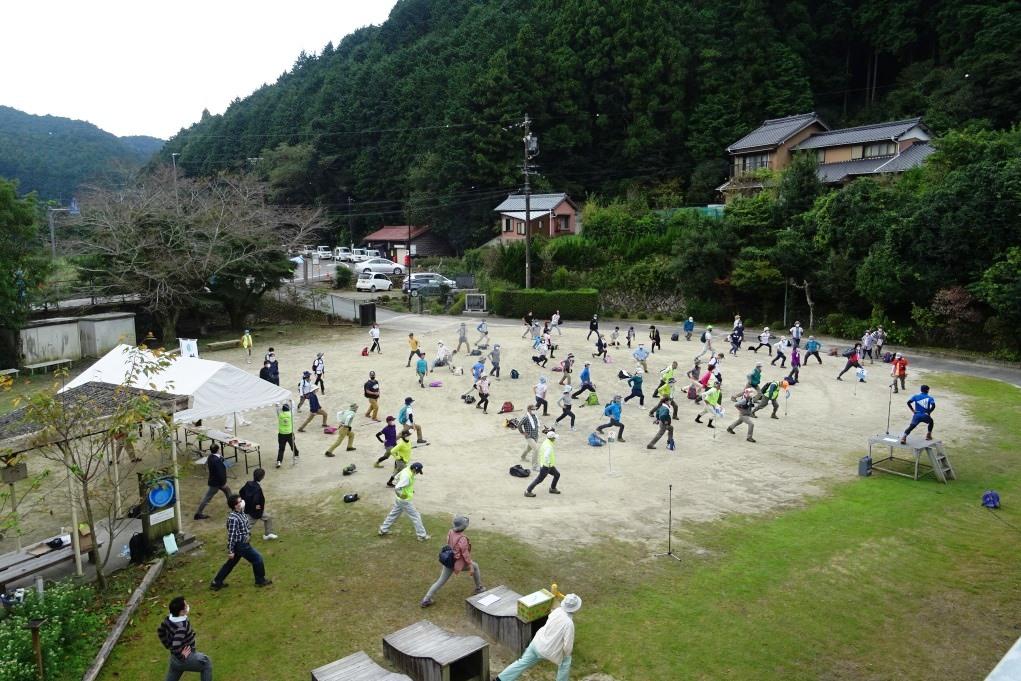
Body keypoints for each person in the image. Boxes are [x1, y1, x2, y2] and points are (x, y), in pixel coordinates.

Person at [494, 593, 581, 681]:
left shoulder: (556, 611)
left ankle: (500, 679)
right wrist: (565, 655)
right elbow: (567, 647)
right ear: (576, 609)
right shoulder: (569, 624)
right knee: (566, 661)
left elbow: (555, 607)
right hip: (549, 651)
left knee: (522, 662)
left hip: (536, 643)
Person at [420, 515, 484, 608]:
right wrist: (470, 566)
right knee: (475, 566)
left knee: (440, 581)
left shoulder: (450, 532)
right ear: (464, 527)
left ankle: (426, 599)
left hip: (448, 560)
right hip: (456, 563)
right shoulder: (463, 539)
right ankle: (479, 588)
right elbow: (465, 555)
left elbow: (449, 543)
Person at [210, 494, 272, 590]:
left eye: (241, 500)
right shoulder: (233, 519)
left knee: (230, 564)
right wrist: (230, 551)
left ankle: (216, 582)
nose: (242, 502)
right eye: (239, 501)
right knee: (257, 559)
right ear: (235, 505)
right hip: (241, 545)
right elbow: (231, 535)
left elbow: (245, 527)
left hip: (243, 544)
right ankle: (260, 580)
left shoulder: (242, 513)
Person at [157, 596, 213, 681]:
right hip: (183, 659)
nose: (187, 606)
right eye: (186, 606)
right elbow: (176, 645)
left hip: (174, 658)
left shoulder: (168, 619)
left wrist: (168, 645)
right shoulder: (181, 627)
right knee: (206, 663)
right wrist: (182, 656)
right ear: (182, 612)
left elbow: (160, 631)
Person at [378, 461, 430, 540]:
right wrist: (401, 495)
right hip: (405, 500)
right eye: (417, 471)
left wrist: (408, 491)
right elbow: (397, 487)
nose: (417, 473)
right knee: (416, 516)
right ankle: (421, 535)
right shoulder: (407, 476)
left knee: (393, 514)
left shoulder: (407, 469)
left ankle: (383, 529)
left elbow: (396, 478)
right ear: (414, 470)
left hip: (399, 500)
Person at [194, 444, 230, 520]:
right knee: (207, 498)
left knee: (228, 492)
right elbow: (220, 473)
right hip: (218, 482)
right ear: (218, 450)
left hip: (214, 480)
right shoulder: (217, 460)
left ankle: (233, 507)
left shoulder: (210, 457)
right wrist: (223, 483)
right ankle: (198, 513)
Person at [239, 468, 277, 540]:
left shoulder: (248, 483)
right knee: (248, 524)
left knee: (268, 518)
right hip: (255, 510)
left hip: (251, 509)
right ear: (262, 477)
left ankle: (268, 534)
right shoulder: (257, 489)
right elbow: (256, 499)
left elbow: (241, 492)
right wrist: (256, 506)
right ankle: (241, 537)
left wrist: (245, 501)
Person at [525, 431, 560, 497]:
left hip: (547, 465)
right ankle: (528, 491)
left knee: (557, 474)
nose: (555, 439)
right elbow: (546, 456)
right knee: (539, 480)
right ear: (551, 439)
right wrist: (549, 463)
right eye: (554, 438)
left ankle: (552, 488)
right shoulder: (549, 446)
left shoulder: (546, 441)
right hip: (546, 466)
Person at [518, 403, 541, 469]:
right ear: (529, 410)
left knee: (529, 448)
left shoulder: (535, 416)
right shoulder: (526, 417)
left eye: (535, 409)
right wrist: (522, 432)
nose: (534, 410)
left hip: (535, 435)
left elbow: (536, 426)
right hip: (529, 436)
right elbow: (519, 425)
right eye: (533, 409)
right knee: (536, 449)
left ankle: (523, 457)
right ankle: (534, 465)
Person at [276, 403, 298, 468]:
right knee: (293, 446)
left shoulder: (280, 414)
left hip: (281, 434)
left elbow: (277, 408)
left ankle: (279, 461)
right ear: (288, 409)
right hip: (289, 433)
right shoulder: (290, 414)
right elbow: (294, 407)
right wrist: (292, 402)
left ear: (282, 409)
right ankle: (296, 455)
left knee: (281, 449)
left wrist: (278, 404)